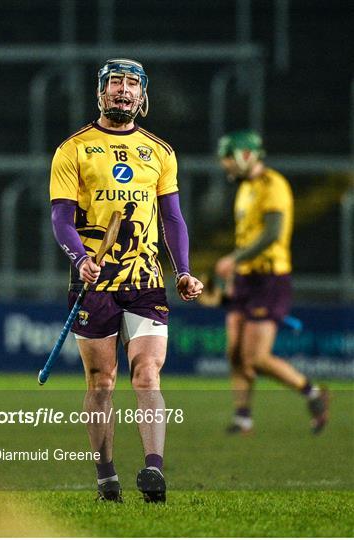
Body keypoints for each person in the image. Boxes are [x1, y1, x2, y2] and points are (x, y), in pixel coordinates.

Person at [49, 58, 203, 502]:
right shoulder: (73, 148)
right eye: (115, 82)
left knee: (147, 374)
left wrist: (185, 270)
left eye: (131, 83)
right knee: (101, 382)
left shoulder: (160, 150)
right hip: (92, 282)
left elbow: (172, 218)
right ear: (100, 92)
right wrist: (79, 258)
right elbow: (61, 219)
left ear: (142, 95)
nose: (123, 89)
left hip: (145, 279)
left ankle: (154, 472)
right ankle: (107, 479)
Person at [214, 130, 328, 435]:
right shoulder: (244, 189)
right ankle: (243, 417)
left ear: (246, 155)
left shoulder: (273, 185)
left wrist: (233, 260)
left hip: (269, 278)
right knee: (235, 352)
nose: (225, 165)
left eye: (228, 158)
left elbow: (272, 233)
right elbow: (245, 236)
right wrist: (235, 274)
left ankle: (313, 392)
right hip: (245, 279)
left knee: (257, 358)